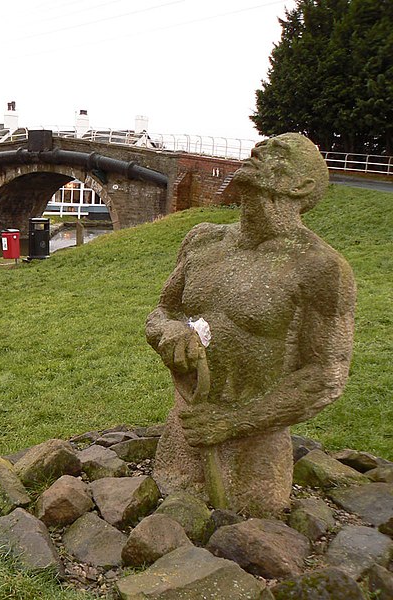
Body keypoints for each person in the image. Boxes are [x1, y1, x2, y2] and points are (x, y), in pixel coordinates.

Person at [145, 133, 356, 516]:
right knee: (170, 502)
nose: (259, 150)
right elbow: (161, 312)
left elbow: (326, 375)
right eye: (261, 146)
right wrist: (170, 333)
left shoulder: (321, 268)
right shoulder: (202, 240)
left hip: (255, 447)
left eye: (278, 153)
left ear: (302, 186)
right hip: (185, 428)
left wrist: (232, 422)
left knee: (252, 522)